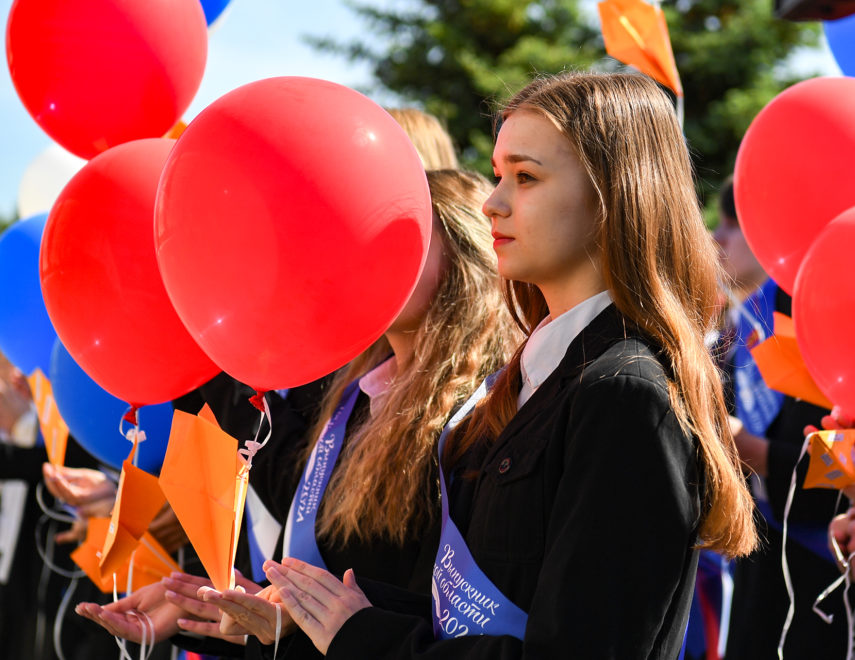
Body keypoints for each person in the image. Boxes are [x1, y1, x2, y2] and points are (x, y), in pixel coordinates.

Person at [254, 71, 758, 659]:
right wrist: (311, 613)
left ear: (613, 196)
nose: (493, 202)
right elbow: (476, 619)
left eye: (525, 177)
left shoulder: (624, 391)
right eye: (499, 175)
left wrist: (366, 638)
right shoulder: (537, 375)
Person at [76, 168, 516, 658]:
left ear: (466, 256)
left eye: (401, 240)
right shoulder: (354, 400)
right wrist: (237, 615)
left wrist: (300, 623)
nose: (368, 259)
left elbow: (433, 621)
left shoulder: (486, 410)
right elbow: (329, 595)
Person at [711, 178, 850, 659]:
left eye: (735, 223)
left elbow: (840, 466)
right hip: (761, 562)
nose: (717, 237)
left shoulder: (822, 314)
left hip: (821, 576)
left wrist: (752, 450)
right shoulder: (744, 322)